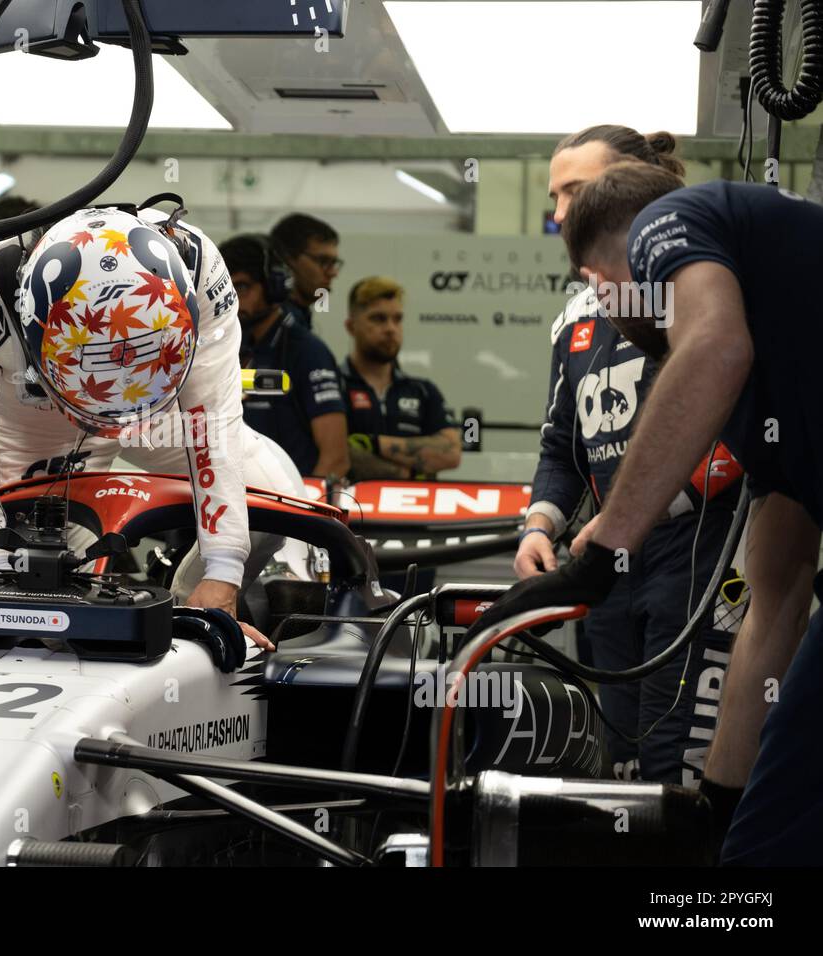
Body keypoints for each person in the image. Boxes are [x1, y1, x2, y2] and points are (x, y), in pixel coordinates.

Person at [481, 162, 823, 864]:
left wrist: (603, 550)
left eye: (594, 290)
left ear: (600, 277)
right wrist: (716, 809)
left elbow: (713, 346)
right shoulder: (774, 399)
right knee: (761, 835)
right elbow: (779, 600)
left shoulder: (674, 219)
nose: (601, 307)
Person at [0, 203, 279, 650]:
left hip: (157, 415)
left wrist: (223, 573)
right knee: (51, 626)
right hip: (36, 430)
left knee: (277, 496)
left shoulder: (198, 267)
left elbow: (213, 419)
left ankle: (190, 615)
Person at [514, 126, 743, 785]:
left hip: (700, 554)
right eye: (555, 196)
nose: (561, 214)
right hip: (606, 562)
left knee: (679, 768)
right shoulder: (574, 316)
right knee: (618, 770)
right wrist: (539, 525)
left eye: (576, 193)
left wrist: (643, 512)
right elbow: (562, 444)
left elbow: (742, 439)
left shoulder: (702, 283)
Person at [221, 234, 349, 481]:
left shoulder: (308, 352)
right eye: (228, 288)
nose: (233, 299)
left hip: (289, 508)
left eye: (243, 287)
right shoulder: (226, 351)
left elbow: (336, 459)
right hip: (238, 504)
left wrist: (303, 515)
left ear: (274, 287)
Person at [339, 276, 461, 482]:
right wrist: (410, 472)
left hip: (414, 511)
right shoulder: (332, 385)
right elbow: (338, 456)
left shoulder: (423, 391)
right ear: (351, 327)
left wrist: (371, 444)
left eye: (397, 319)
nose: (390, 328)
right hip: (352, 509)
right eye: (378, 319)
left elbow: (451, 453)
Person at [269, 213, 342, 329]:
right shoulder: (273, 327)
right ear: (288, 261)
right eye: (323, 261)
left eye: (333, 263)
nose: (333, 273)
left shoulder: (296, 319)